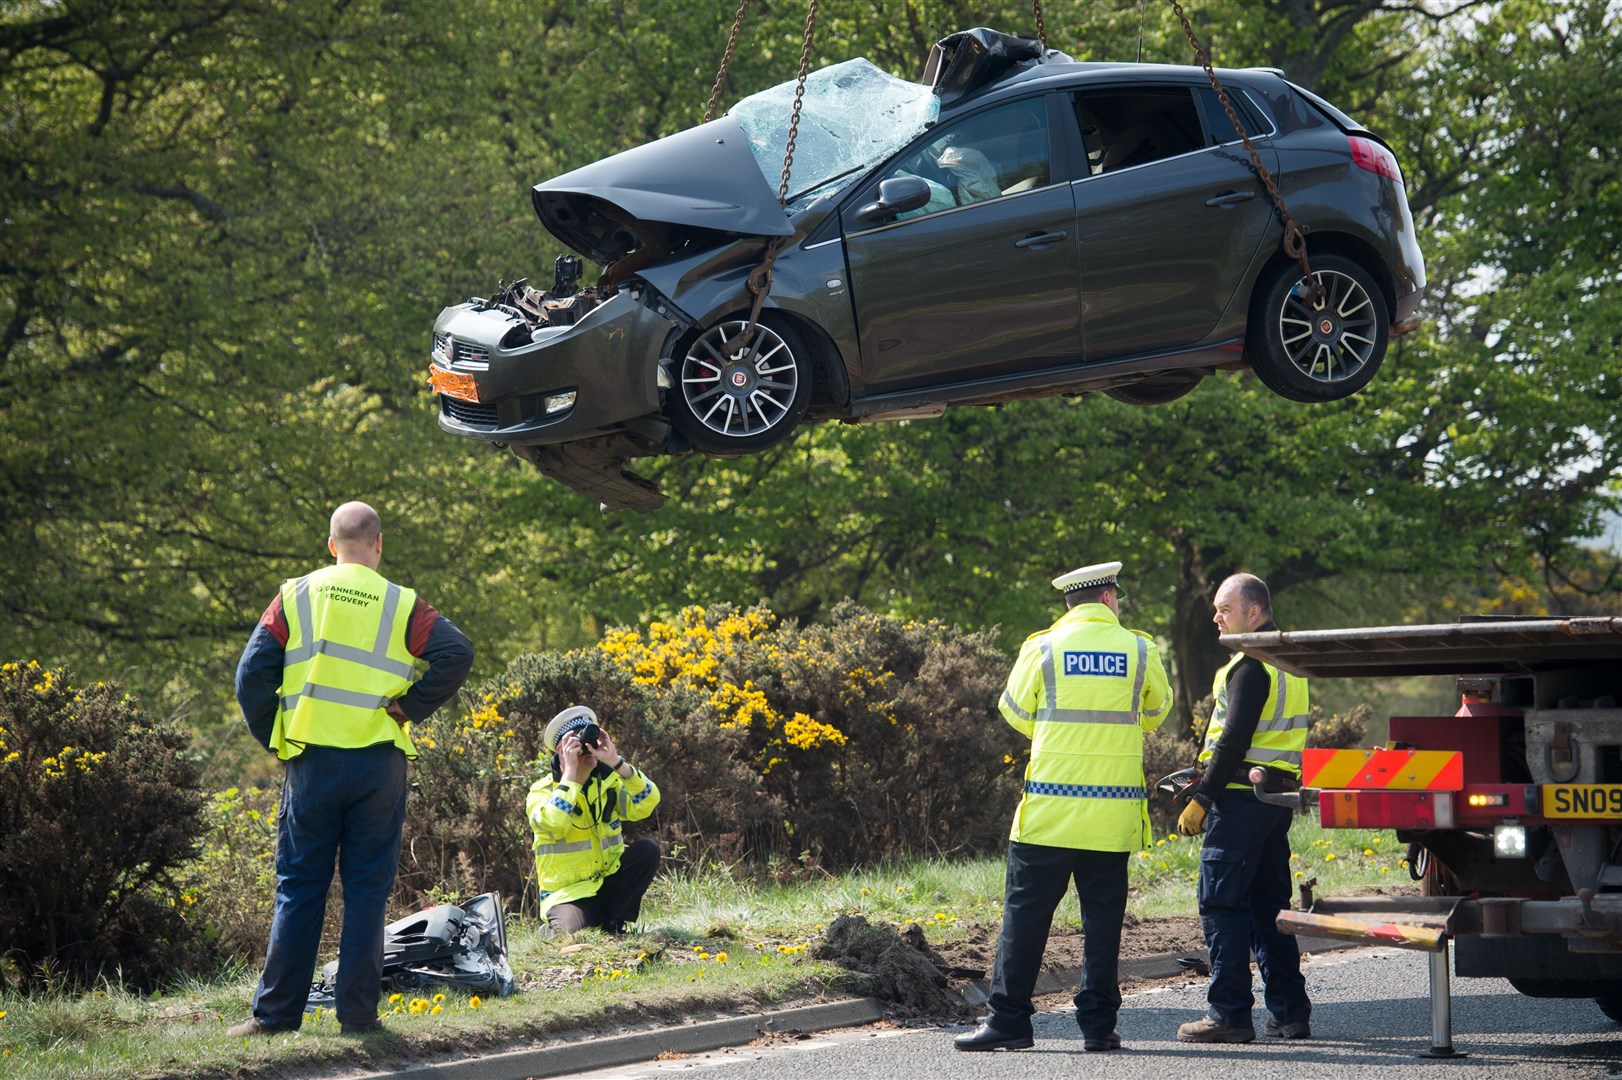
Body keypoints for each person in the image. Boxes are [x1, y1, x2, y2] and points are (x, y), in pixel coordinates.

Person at [228, 501, 474, 1037]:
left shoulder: (296, 594)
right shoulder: (401, 603)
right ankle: (359, 1017)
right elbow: (457, 652)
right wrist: (409, 707)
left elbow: (250, 674)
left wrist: (276, 735)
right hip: (378, 768)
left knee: (299, 888)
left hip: (312, 763)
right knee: (367, 892)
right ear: (379, 544)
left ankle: (274, 1019)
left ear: (331, 543)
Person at [955, 561, 1171, 1054]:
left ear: (1070, 604)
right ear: (1109, 599)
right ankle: (1098, 1027)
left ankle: (1009, 1021)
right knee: (1102, 922)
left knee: (1025, 919)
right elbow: (1157, 713)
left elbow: (1014, 712)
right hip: (1112, 818)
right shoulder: (1140, 648)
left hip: (1047, 818)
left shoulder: (1042, 647)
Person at [1175, 572, 1312, 1043]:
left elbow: (1233, 741)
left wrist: (1202, 798)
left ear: (1253, 613)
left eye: (1224, 608)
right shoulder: (1287, 662)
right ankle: (1291, 1012)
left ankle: (1229, 1015)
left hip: (1238, 801)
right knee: (1269, 908)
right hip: (1274, 800)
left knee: (1221, 903)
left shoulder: (1251, 665)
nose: (1215, 616)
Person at [527, 705, 661, 936]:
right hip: (569, 894)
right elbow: (554, 824)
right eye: (576, 744)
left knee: (647, 849)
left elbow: (647, 803)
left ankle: (614, 922)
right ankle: (549, 931)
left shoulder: (609, 783)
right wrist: (571, 777)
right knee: (565, 935)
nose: (586, 749)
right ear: (561, 749)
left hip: (608, 882)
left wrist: (616, 762)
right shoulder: (542, 792)